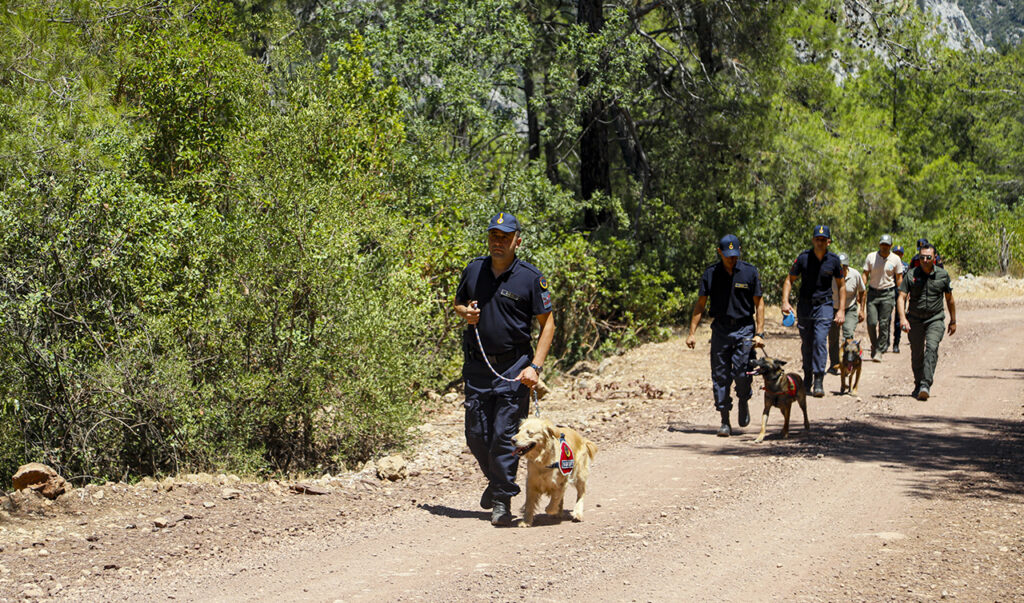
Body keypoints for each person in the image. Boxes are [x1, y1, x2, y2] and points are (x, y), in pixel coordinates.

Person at [453, 212, 555, 526]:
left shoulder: (530, 277)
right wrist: (465, 313)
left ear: (517, 241)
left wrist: (535, 367)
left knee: (504, 436)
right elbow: (458, 303)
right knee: (476, 435)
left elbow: (548, 323)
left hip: (515, 367)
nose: (499, 242)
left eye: (505, 237)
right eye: (494, 236)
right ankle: (497, 482)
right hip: (478, 366)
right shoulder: (474, 270)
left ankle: (502, 500)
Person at [686, 234, 765, 437]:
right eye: (728, 255)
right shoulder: (711, 274)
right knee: (720, 376)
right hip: (720, 329)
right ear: (719, 252)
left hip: (744, 329)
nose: (732, 259)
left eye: (735, 255)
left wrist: (759, 333)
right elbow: (701, 304)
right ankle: (724, 420)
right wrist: (692, 332)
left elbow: (759, 303)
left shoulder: (749, 272)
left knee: (742, 371)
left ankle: (743, 399)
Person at [781, 225, 846, 398]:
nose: (820, 242)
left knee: (819, 340)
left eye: (823, 240)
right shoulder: (803, 258)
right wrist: (785, 302)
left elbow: (841, 285)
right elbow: (789, 280)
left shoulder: (833, 260)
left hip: (824, 305)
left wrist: (841, 310)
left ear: (828, 242)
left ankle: (819, 379)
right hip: (805, 306)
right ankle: (807, 376)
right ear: (813, 240)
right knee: (807, 343)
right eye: (817, 239)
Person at [897, 243, 956, 400]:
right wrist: (903, 318)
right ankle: (918, 384)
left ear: (934, 258)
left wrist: (953, 320)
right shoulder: (911, 275)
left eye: (928, 257)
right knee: (917, 353)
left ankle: (925, 384)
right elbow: (901, 297)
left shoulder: (943, 275)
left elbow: (950, 300)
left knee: (931, 347)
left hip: (935, 318)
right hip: (915, 319)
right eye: (921, 257)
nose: (924, 260)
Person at [862, 234, 904, 362]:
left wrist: (902, 293)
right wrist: (861, 289)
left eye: (887, 245)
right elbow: (865, 274)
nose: (884, 247)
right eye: (882, 244)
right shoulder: (871, 257)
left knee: (884, 323)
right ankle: (874, 345)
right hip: (873, 293)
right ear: (879, 244)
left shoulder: (895, 259)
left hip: (888, 294)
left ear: (890, 246)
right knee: (871, 322)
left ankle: (879, 350)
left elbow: (899, 278)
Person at [827, 253, 866, 375]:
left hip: (850, 308)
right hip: (833, 308)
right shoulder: (829, 276)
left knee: (848, 334)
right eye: (838, 267)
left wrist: (861, 310)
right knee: (833, 337)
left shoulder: (855, 275)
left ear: (847, 266)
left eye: (843, 267)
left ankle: (849, 362)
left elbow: (863, 291)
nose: (841, 269)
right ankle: (834, 364)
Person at [891, 245, 909, 353]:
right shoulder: (888, 264)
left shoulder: (906, 266)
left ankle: (896, 343)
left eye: (899, 253)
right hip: (889, 291)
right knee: (886, 317)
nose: (898, 255)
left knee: (899, 318)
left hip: (901, 293)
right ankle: (885, 341)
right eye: (896, 253)